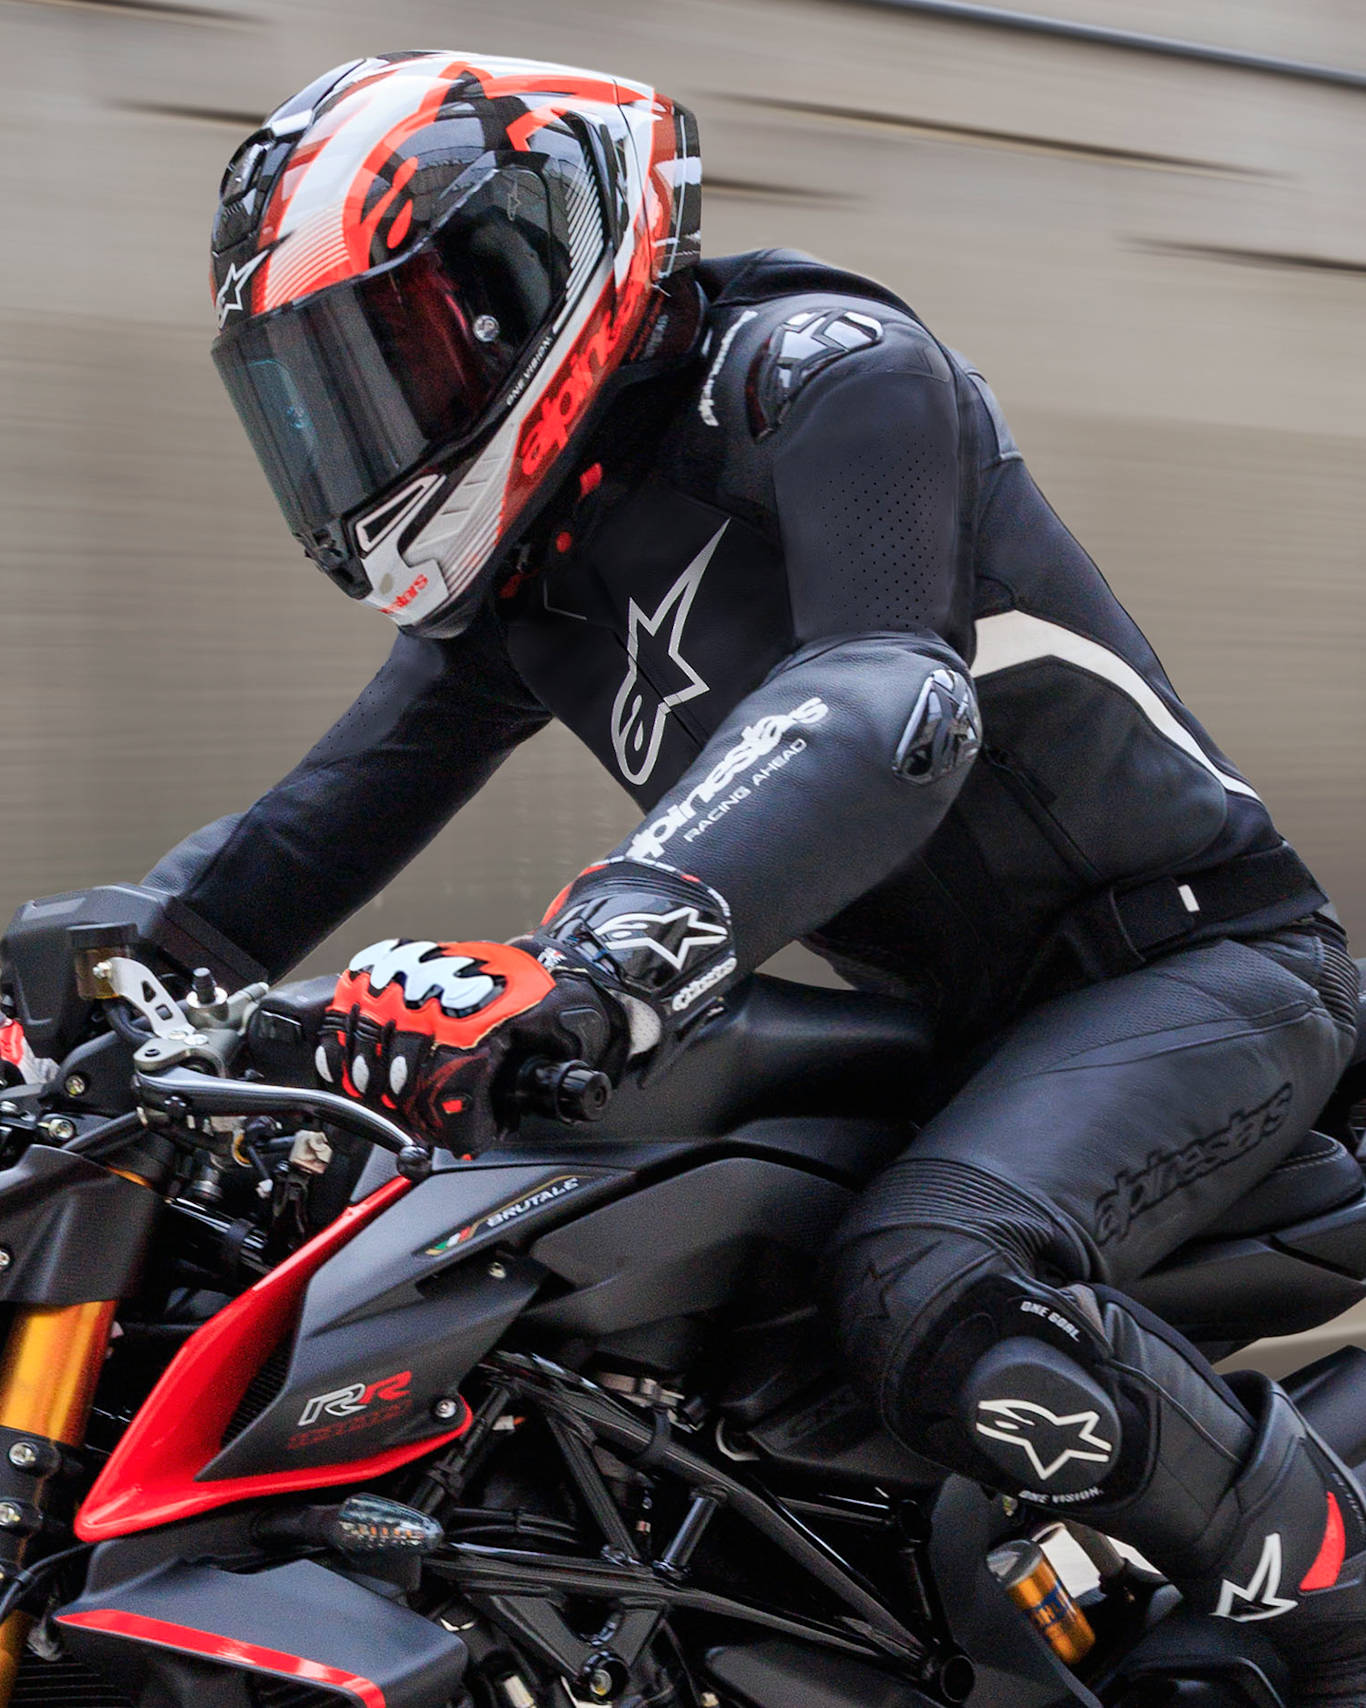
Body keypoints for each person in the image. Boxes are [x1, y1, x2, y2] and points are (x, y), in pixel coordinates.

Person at [147, 52, 1363, 1700]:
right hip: (955, 1037)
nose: (377, 419)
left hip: (1198, 972)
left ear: (538, 262)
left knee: (928, 1285)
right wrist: (83, 983)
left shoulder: (820, 372)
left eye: (405, 349)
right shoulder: (530, 579)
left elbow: (886, 701)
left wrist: (597, 955)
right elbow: (301, 839)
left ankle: (1336, 1620)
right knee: (637, 1308)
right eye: (329, 387)